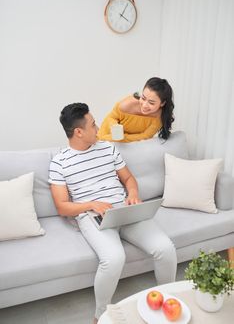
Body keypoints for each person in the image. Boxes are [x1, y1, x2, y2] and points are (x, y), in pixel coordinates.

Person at [48, 102, 177, 323]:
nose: (98, 127)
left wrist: (133, 193)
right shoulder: (60, 162)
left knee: (165, 248)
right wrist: (91, 205)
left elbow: (128, 178)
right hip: (92, 215)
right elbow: (62, 207)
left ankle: (168, 299)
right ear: (78, 132)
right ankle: (100, 316)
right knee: (114, 258)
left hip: (124, 208)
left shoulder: (108, 148)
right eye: (93, 124)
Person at [97, 77, 174, 142]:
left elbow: (145, 136)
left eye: (151, 103)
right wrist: (115, 132)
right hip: (107, 135)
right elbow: (111, 117)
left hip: (128, 143)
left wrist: (123, 137)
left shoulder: (160, 116)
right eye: (143, 98)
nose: (144, 105)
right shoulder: (127, 104)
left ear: (162, 103)